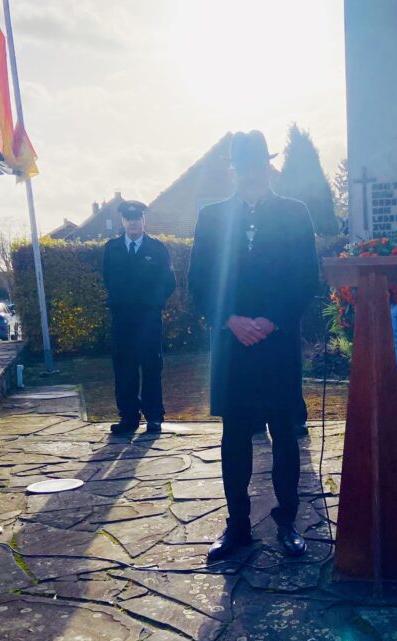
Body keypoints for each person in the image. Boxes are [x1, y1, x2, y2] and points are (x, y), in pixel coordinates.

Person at [188, 130, 320, 561]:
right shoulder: (210, 218)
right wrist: (230, 319)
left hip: (278, 345)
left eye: (259, 164)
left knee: (285, 437)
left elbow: (307, 279)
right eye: (243, 166)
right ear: (234, 170)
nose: (251, 173)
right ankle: (238, 526)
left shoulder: (295, 213)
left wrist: (272, 320)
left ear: (270, 165)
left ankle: (287, 522)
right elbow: (199, 283)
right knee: (234, 439)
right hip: (231, 347)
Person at [102, 199, 177, 434]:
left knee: (151, 366)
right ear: (122, 221)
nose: (133, 223)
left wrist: (154, 302)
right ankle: (128, 417)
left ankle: (154, 416)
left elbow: (169, 281)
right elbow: (108, 279)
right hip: (122, 316)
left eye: (137, 219)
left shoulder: (157, 248)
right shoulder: (111, 248)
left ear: (144, 221)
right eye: (128, 219)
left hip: (148, 317)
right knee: (124, 367)